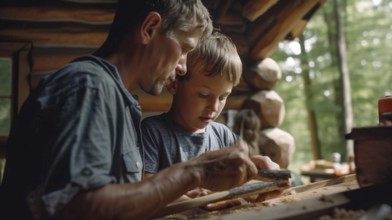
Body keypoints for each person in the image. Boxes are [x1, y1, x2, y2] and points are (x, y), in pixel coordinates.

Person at [0, 1, 279, 220]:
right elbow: (78, 209)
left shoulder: (121, 101)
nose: (182, 66)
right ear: (149, 28)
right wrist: (195, 171)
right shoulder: (87, 86)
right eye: (183, 48)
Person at [141, 31, 243, 178]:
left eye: (222, 97)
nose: (214, 107)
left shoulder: (224, 136)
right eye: (204, 95)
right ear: (174, 84)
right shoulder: (153, 133)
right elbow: (147, 186)